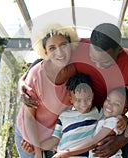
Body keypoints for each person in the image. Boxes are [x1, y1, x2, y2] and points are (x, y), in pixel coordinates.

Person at [20, 23, 128, 157]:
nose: (98, 66)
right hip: (88, 119)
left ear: (119, 51)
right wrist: (23, 80)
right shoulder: (79, 48)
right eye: (93, 59)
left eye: (105, 62)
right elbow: (47, 57)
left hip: (113, 122)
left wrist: (121, 140)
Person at [14, 22, 79, 158]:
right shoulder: (37, 75)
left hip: (52, 138)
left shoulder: (75, 72)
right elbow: (29, 117)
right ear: (45, 52)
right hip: (28, 136)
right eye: (52, 48)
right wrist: (37, 151)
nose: (59, 52)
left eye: (63, 45)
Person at [52, 86, 128, 158]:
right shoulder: (104, 118)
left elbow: (93, 142)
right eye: (108, 100)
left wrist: (67, 152)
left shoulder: (115, 122)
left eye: (116, 104)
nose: (109, 105)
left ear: (124, 110)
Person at [39, 73, 101, 157]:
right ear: (71, 99)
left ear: (93, 96)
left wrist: (123, 119)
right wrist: (37, 146)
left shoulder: (98, 112)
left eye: (88, 99)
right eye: (78, 100)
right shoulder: (64, 116)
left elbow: (113, 122)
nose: (83, 104)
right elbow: (55, 139)